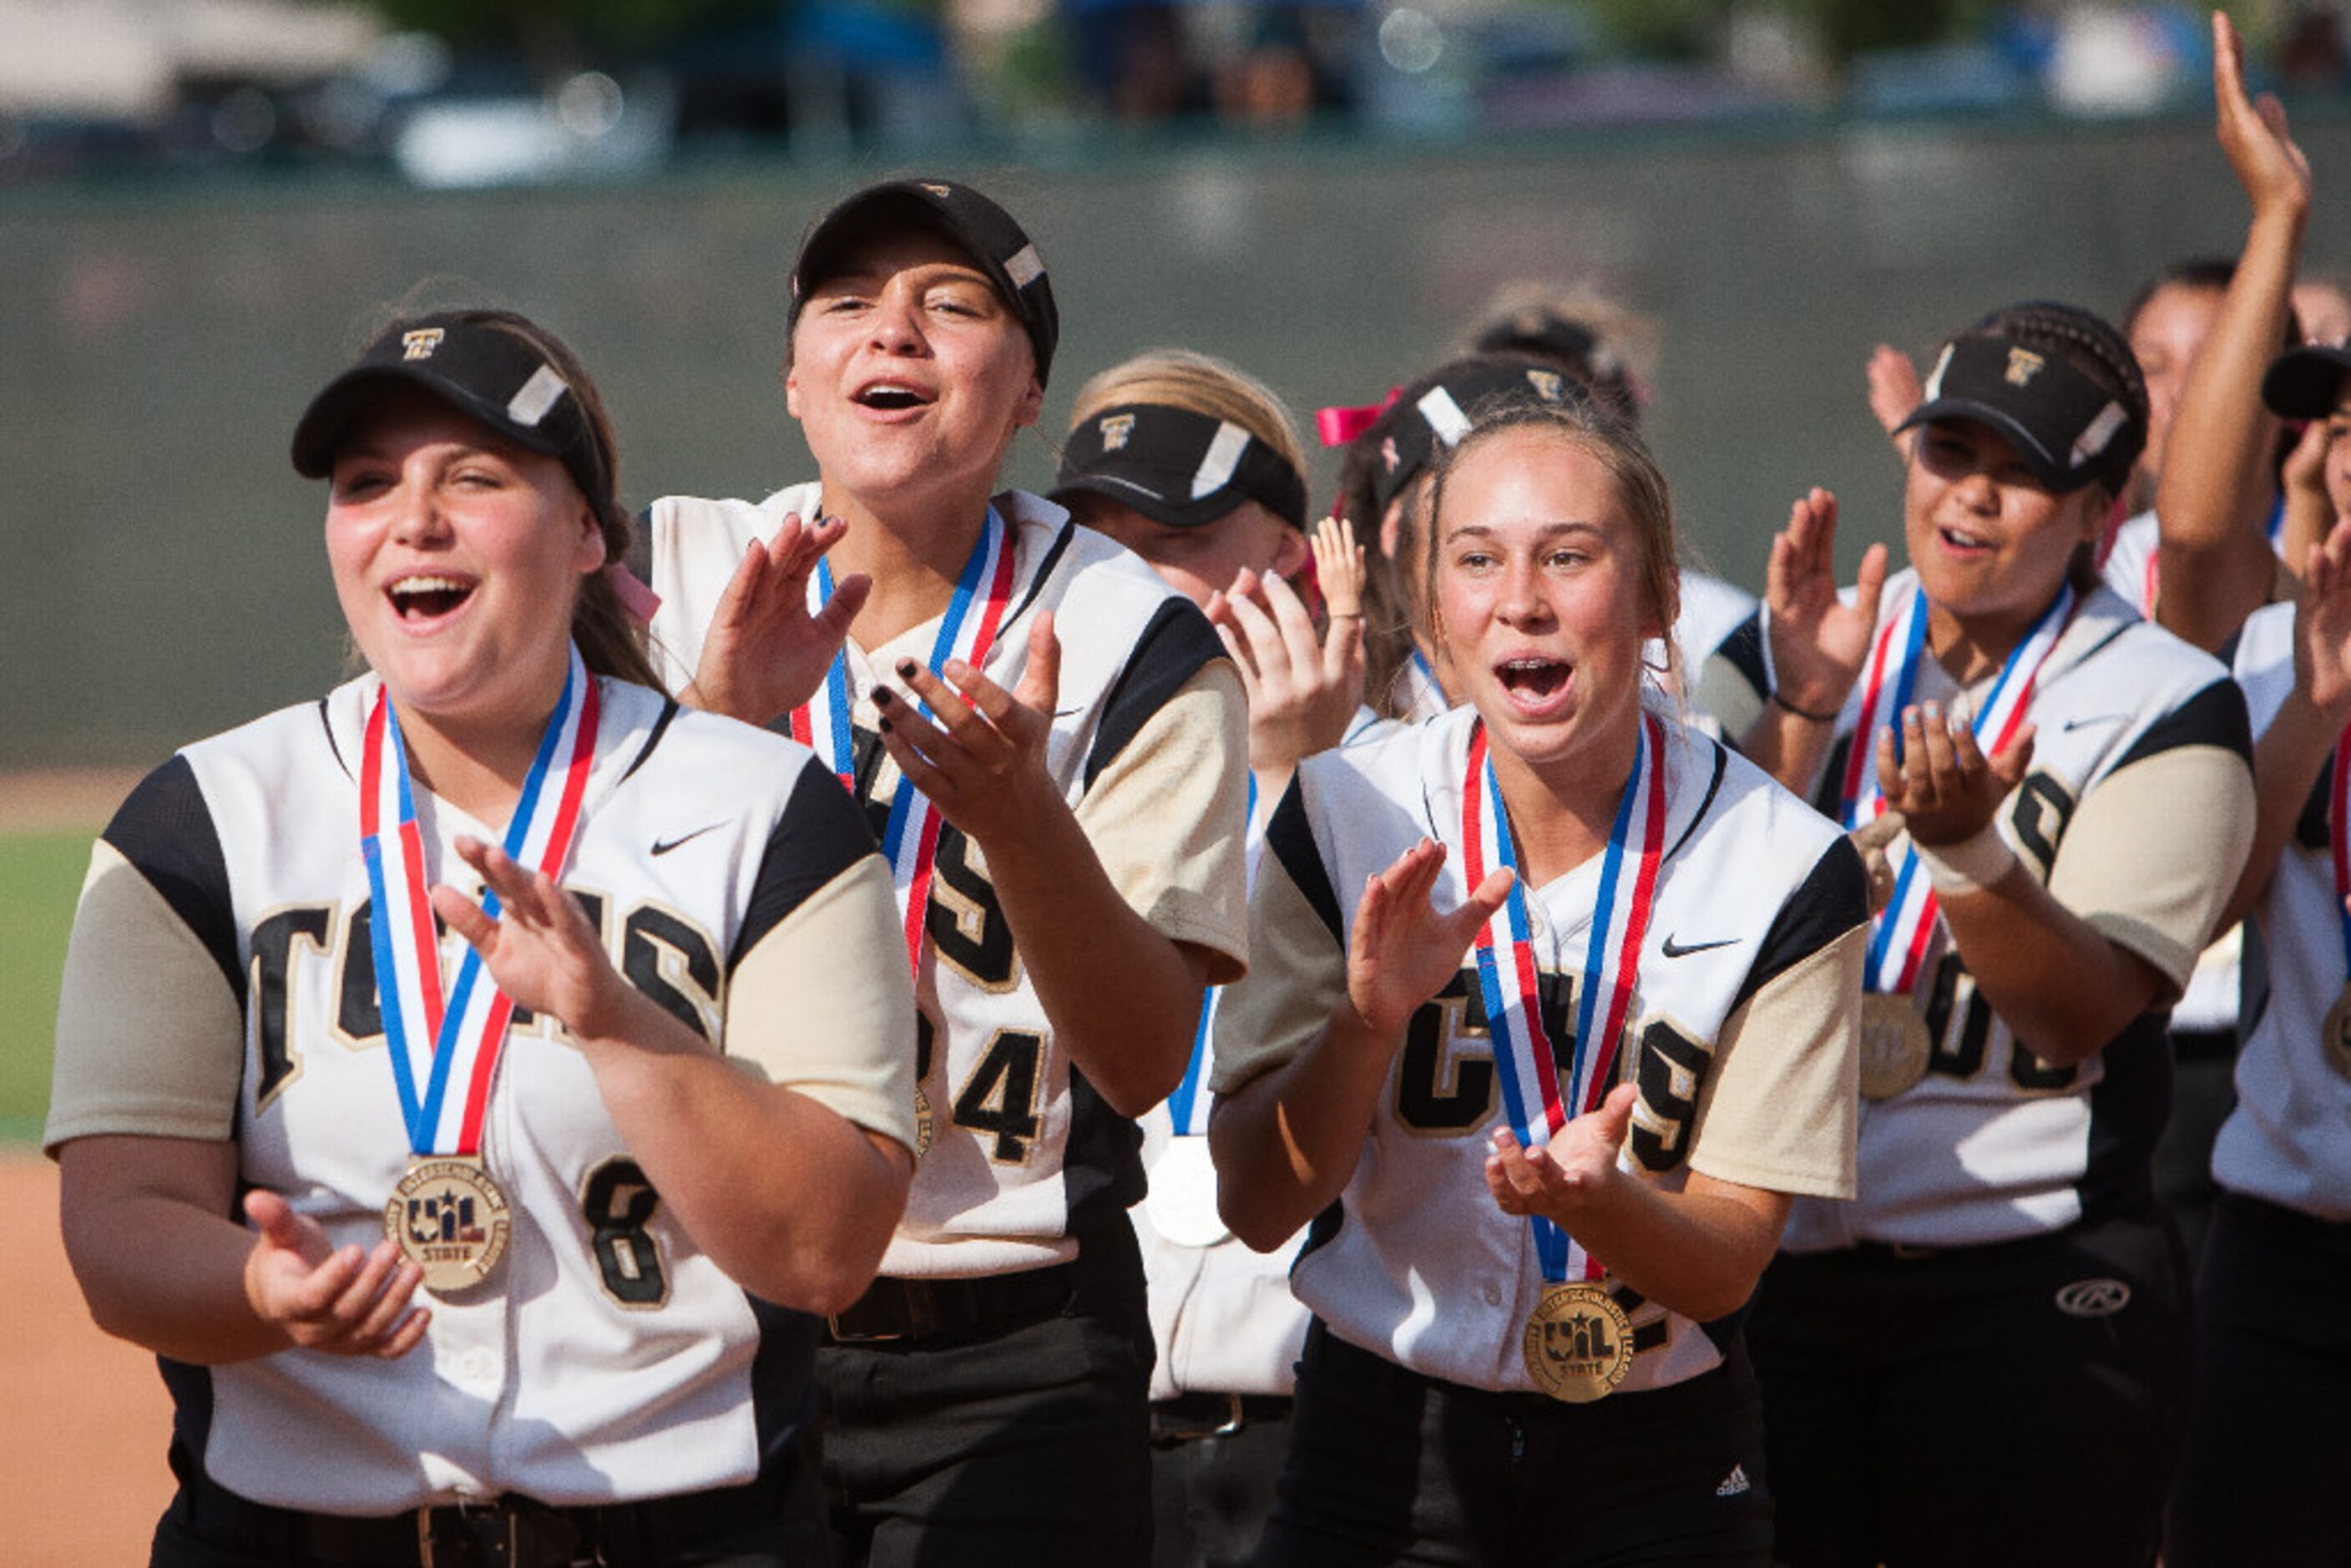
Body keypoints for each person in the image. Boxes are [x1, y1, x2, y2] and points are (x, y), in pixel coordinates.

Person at [48, 306, 920, 1565]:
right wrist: (261, 1291)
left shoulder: (764, 808)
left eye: (475, 476)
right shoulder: (206, 819)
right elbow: (119, 1223)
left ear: (584, 534)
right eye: (367, 484)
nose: (415, 517)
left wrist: (621, 1026)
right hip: (294, 1536)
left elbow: (825, 1246)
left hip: (679, 1536)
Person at [633, 180, 1253, 1565]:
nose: (892, 330)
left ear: (1030, 388)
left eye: (954, 304)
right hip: (698, 1319)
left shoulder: (1129, 641)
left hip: (1012, 1346)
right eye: (847, 304)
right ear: (795, 380)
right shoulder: (657, 579)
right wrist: (717, 744)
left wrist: (1026, 822)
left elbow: (1148, 1055)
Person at [1210, 391, 1868, 1565]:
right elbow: (1256, 1204)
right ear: (1435, 613)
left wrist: (1598, 1205)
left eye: (1569, 555)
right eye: (1478, 559)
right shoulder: (1342, 812)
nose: (1522, 596)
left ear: (1662, 593)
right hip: (1383, 1436)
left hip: (1660, 1454)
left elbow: (1728, 1264)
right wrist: (1368, 1023)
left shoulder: (1785, 862)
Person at [1720, 299, 2255, 1567]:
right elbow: (1683, 919)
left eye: (2024, 472)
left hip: (2025, 1277)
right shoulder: (1800, 636)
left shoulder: (2165, 697)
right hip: (1781, 1267)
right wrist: (1798, 708)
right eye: (1950, 452)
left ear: (2098, 513)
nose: (1971, 497)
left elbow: (2079, 1013)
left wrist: (1971, 851)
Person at [1050, 347, 1361, 1567]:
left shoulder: (1399, 773)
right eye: (1095, 534)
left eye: (1172, 530)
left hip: (1311, 1435)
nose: (1129, 574)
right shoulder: (1024, 789)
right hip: (1085, 1431)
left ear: (1289, 547)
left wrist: (1298, 781)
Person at [2166, 335, 2351, 1558]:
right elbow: (2202, 915)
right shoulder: (2269, 654)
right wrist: (2315, 712)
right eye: (2345, 427)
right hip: (2288, 1255)